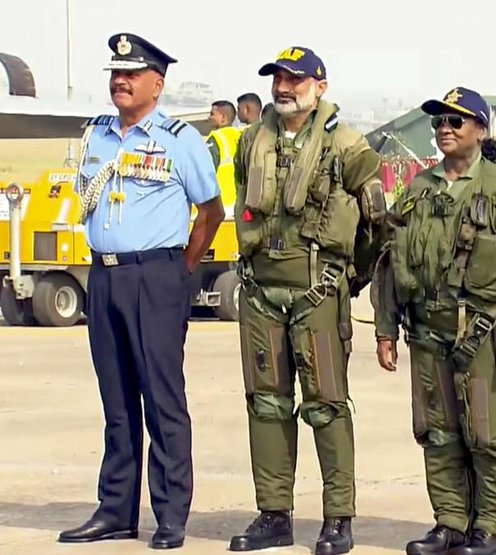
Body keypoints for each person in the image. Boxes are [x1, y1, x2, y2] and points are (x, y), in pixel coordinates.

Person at [57, 32, 224, 550]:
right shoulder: (98, 135)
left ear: (157, 83)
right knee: (117, 401)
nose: (121, 82)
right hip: (104, 276)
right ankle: (115, 510)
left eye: (131, 74)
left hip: (156, 277)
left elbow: (211, 211)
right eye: (115, 74)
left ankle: (170, 515)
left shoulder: (180, 139)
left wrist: (180, 270)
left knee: (162, 401)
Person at [372, 87, 496, 555]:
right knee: (438, 433)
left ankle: (490, 528)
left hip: (482, 332)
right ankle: (450, 521)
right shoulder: (418, 189)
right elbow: (390, 260)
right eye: (439, 122)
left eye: (456, 121)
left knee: (487, 434)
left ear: (481, 130)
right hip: (426, 331)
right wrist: (386, 329)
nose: (445, 129)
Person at [227, 46, 387, 555]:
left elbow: (377, 223)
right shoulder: (252, 140)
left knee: (326, 405)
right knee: (266, 404)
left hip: (318, 292)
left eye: (295, 79)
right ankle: (273, 514)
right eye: (278, 77)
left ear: (320, 86)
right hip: (260, 292)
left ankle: (338, 518)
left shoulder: (346, 145)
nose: (283, 86)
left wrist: (349, 278)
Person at [205, 100, 242, 207]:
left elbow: (206, 171)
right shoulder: (240, 134)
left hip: (222, 202)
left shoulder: (216, 138)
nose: (209, 117)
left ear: (223, 117)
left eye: (212, 114)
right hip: (239, 201)